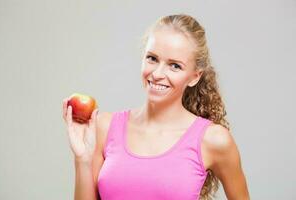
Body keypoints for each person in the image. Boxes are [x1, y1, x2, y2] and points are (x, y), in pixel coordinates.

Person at [62, 14, 250, 200]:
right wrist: (83, 160)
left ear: (194, 77)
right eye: (152, 58)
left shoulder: (213, 139)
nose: (158, 73)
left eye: (175, 66)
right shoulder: (104, 126)